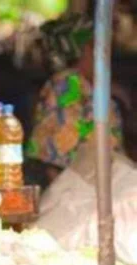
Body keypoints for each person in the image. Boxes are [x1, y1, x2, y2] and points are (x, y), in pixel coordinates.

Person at [26, 14, 130, 186]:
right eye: (97, 47)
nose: (106, 53)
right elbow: (55, 157)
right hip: (79, 193)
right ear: (82, 51)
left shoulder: (85, 85)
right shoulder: (67, 86)